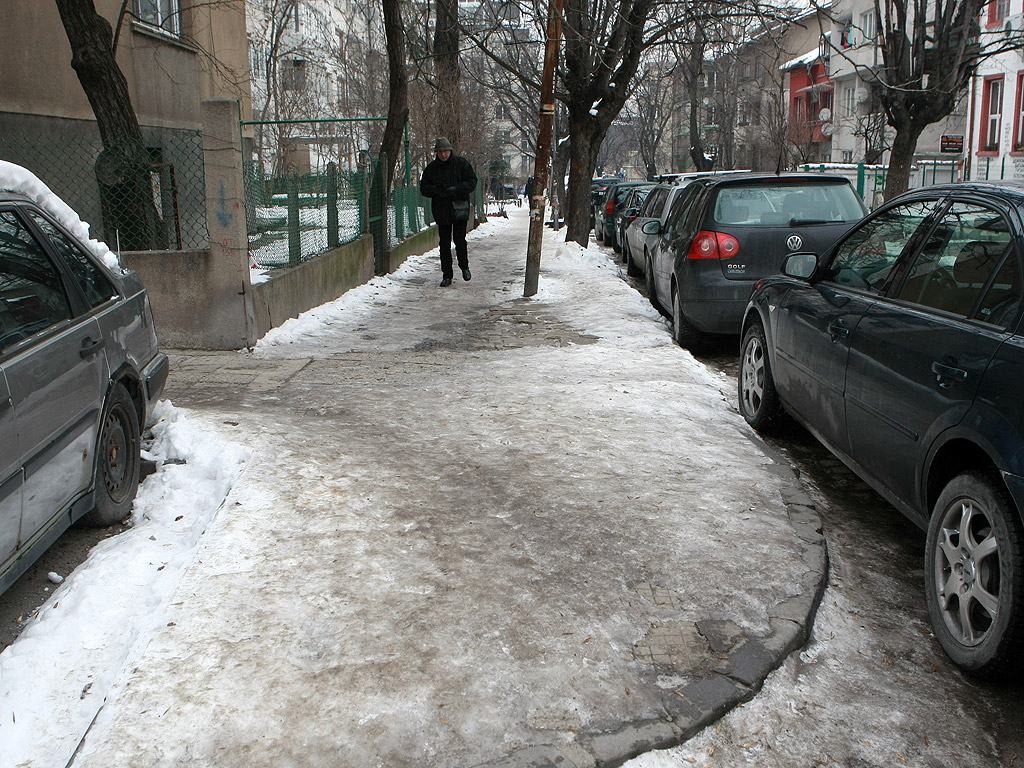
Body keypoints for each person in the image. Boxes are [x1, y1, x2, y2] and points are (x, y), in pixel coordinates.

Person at [419, 137, 478, 287]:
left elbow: (472, 181)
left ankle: (464, 267)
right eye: (440, 152)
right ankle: (447, 275)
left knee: (460, 240)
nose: (444, 154)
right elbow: (424, 188)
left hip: (459, 207)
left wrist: (457, 189)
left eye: (445, 151)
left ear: (450, 150)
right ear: (437, 153)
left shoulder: (461, 164)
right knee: (444, 244)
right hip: (441, 209)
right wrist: (437, 190)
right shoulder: (432, 169)